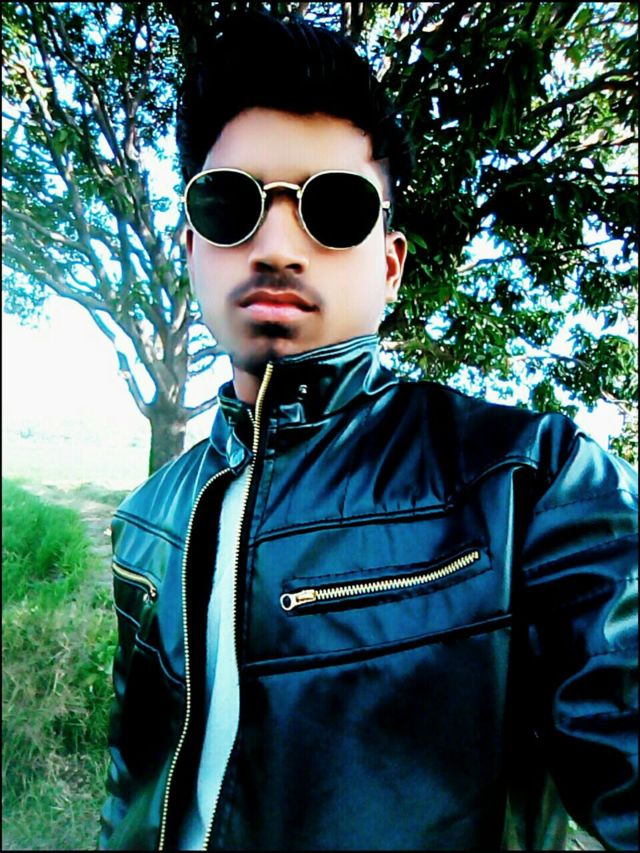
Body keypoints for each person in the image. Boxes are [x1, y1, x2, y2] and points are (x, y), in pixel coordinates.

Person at [99, 10, 638, 851]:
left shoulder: (530, 483)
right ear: (192, 246)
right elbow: (132, 784)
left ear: (389, 265)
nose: (277, 245)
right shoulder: (148, 518)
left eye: (334, 207)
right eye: (233, 204)